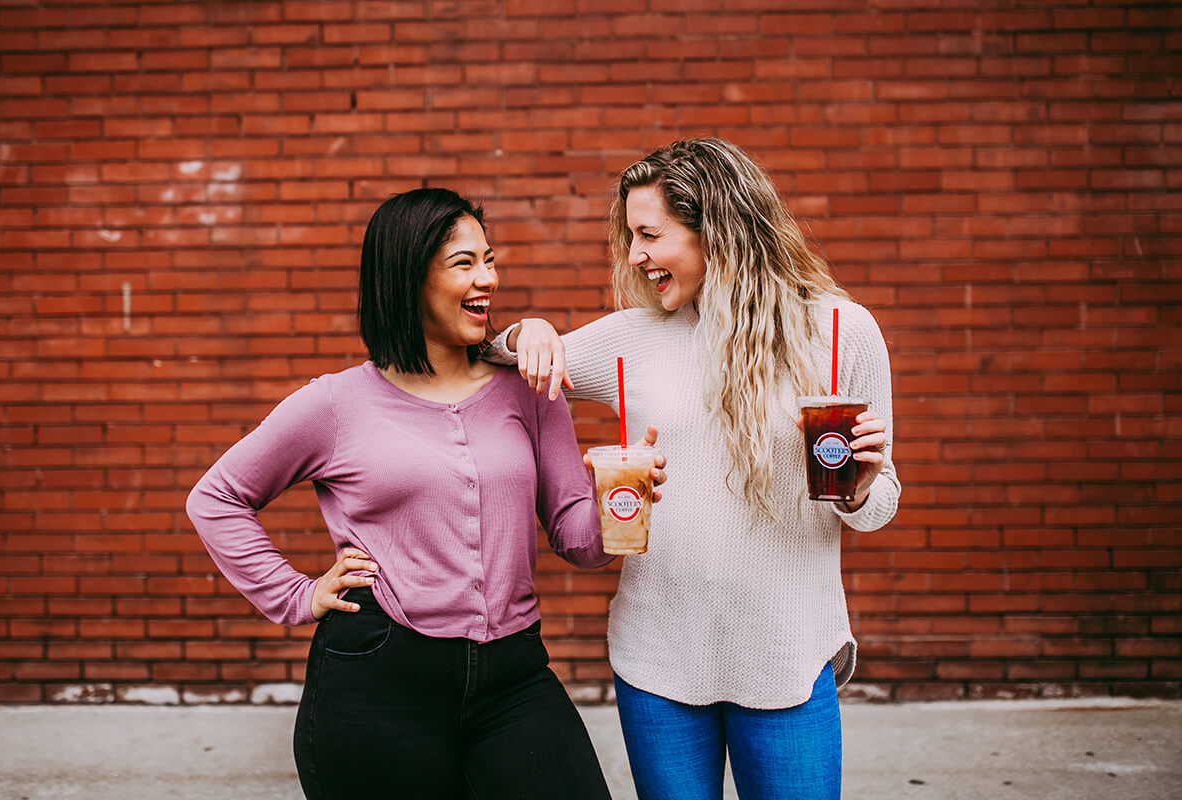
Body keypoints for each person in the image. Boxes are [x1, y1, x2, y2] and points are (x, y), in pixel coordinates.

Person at [187, 188, 663, 800]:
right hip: (378, 678)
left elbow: (576, 537)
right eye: (464, 263)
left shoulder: (528, 392)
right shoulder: (333, 405)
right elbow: (217, 499)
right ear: (408, 276)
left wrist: (625, 500)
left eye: (489, 259)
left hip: (514, 676)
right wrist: (296, 595)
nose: (487, 278)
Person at [486, 138, 900, 800]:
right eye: (630, 235)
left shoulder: (842, 334)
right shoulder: (631, 341)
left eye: (649, 234)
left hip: (787, 656)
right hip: (658, 662)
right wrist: (526, 331)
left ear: (718, 227)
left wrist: (860, 490)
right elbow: (493, 359)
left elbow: (880, 506)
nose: (634, 255)